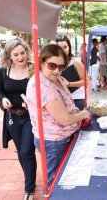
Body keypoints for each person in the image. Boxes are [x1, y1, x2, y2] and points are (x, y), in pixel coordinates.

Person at [26, 44, 90, 187]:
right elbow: (65, 119)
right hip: (54, 142)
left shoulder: (55, 78)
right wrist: (83, 114)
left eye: (61, 67)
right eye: (52, 65)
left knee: (63, 179)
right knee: (55, 184)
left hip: (61, 138)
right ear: (42, 62)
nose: (56, 71)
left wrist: (77, 113)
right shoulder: (42, 86)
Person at [0, 37, 36, 200]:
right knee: (22, 152)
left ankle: (29, 189)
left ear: (26, 52)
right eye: (16, 54)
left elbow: (42, 90)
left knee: (27, 150)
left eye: (22, 53)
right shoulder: (4, 70)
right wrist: (2, 100)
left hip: (29, 117)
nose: (20, 57)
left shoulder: (34, 69)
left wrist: (31, 101)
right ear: (9, 56)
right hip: (12, 117)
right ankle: (30, 180)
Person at [56, 35, 88, 110]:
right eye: (60, 48)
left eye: (65, 47)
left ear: (69, 47)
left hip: (77, 99)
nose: (63, 50)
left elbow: (86, 81)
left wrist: (69, 84)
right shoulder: (54, 64)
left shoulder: (75, 62)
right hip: (62, 101)